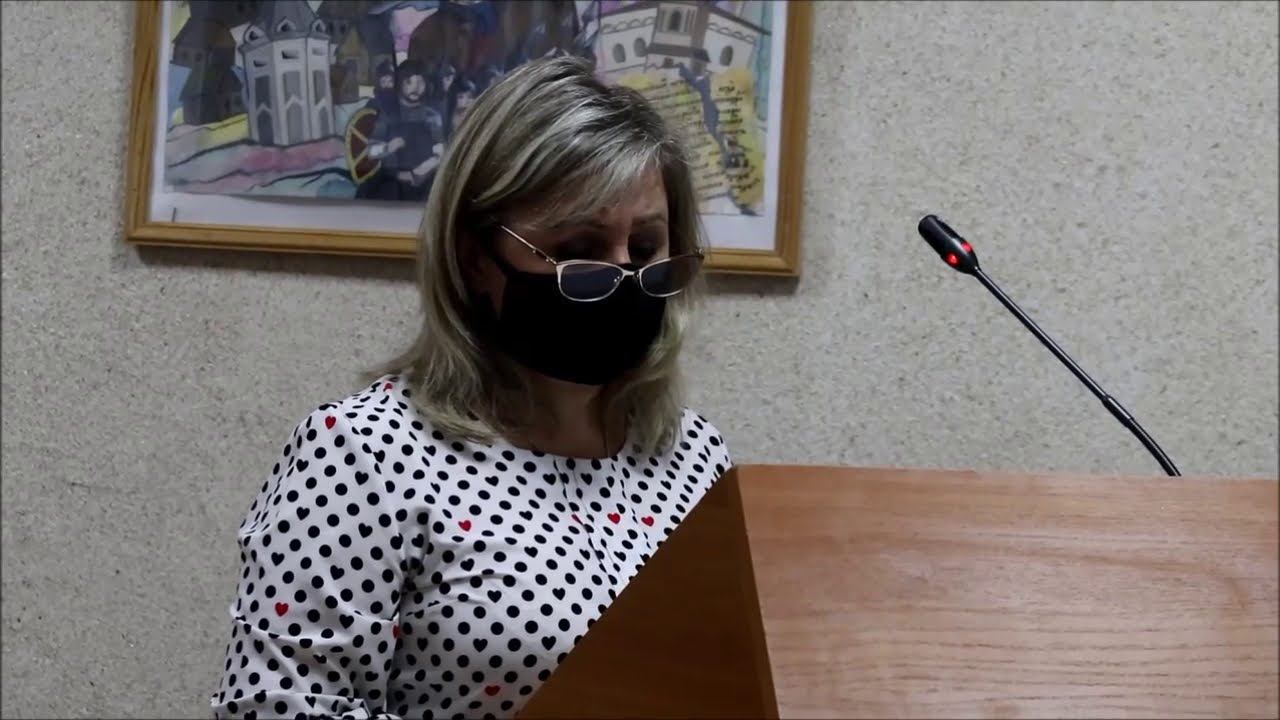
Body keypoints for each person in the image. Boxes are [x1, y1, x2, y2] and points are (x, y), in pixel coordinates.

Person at [209, 56, 729, 720]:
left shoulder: (692, 456)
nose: (624, 276)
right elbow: (274, 708)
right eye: (580, 246)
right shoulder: (365, 454)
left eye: (647, 247)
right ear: (476, 258)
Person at [358, 59, 445, 202]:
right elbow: (371, 151)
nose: (415, 88)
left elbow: (440, 152)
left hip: (426, 181)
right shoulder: (388, 114)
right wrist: (388, 147)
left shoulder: (432, 116)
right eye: (409, 82)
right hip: (392, 181)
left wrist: (421, 171)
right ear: (400, 84)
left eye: (420, 82)